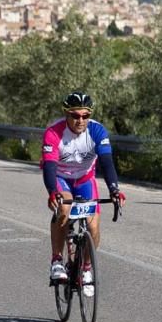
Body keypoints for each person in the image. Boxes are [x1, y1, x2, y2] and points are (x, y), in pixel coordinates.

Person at [41, 91, 125, 285]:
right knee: (63, 209)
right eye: (75, 115)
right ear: (66, 114)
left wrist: (114, 189)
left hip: (85, 179)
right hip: (61, 178)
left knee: (93, 225)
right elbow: (49, 167)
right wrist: (53, 192)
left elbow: (106, 162)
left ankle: (86, 267)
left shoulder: (97, 131)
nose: (80, 120)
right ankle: (56, 260)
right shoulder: (54, 132)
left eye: (85, 116)